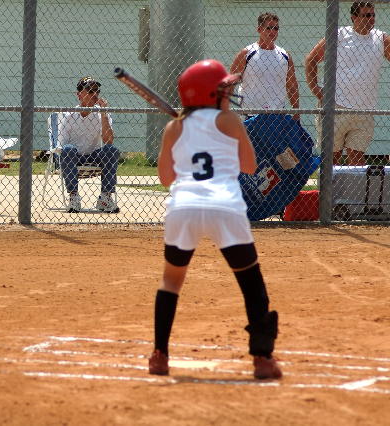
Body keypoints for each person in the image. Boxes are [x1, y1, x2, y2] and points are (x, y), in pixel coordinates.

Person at [148, 59, 282, 380]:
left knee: (171, 281)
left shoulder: (174, 127)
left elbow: (166, 178)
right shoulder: (230, 120)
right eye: (224, 89)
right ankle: (262, 359)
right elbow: (249, 166)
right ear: (210, 94)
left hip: (183, 207)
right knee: (251, 283)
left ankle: (159, 355)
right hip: (226, 207)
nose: (229, 93)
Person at [305, 1, 390, 166]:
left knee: (357, 160)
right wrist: (317, 90)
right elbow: (311, 59)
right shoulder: (340, 35)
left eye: (373, 15)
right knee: (332, 159)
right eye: (366, 15)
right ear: (354, 17)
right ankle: (330, 185)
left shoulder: (381, 39)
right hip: (336, 107)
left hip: (364, 110)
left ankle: (353, 185)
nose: (371, 19)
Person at [58, 77, 119, 213]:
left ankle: (105, 198)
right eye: (90, 91)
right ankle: (74, 196)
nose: (95, 94)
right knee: (68, 149)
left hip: (94, 156)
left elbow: (109, 141)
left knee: (111, 150)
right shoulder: (69, 116)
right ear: (79, 95)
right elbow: (62, 146)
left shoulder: (102, 113)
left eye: (97, 91)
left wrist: (103, 114)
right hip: (74, 158)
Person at [230, 12, 300, 120]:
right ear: (259, 29)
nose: (273, 31)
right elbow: (230, 83)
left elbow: (292, 86)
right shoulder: (246, 53)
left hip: (277, 116)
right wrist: (224, 109)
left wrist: (296, 113)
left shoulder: (285, 56)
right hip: (250, 115)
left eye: (276, 28)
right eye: (269, 28)